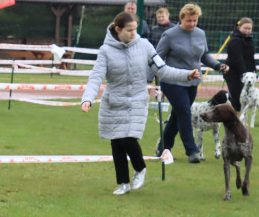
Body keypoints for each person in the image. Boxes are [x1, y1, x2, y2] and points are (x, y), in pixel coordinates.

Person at [82, 11, 200, 194]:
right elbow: (96, 77)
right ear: (118, 30)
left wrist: (186, 75)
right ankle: (123, 183)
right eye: (129, 30)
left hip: (137, 100)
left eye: (135, 30)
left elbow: (163, 70)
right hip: (114, 101)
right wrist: (88, 98)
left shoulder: (145, 45)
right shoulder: (105, 51)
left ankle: (140, 168)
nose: (133, 33)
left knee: (128, 138)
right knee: (117, 143)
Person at [155, 3, 229, 162]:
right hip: (172, 81)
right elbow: (157, 59)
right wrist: (150, 78)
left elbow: (205, 55)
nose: (192, 24)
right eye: (189, 20)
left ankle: (163, 147)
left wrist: (217, 65)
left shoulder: (200, 34)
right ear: (181, 18)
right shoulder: (169, 35)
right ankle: (192, 151)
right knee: (184, 112)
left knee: (177, 115)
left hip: (193, 82)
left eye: (195, 20)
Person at [224, 17, 255, 111]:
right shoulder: (235, 40)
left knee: (244, 97)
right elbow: (237, 59)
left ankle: (241, 118)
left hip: (246, 73)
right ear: (239, 27)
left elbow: (251, 56)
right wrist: (245, 74)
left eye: (249, 28)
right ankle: (234, 118)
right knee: (236, 96)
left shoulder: (249, 39)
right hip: (233, 73)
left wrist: (253, 70)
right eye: (245, 28)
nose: (247, 30)